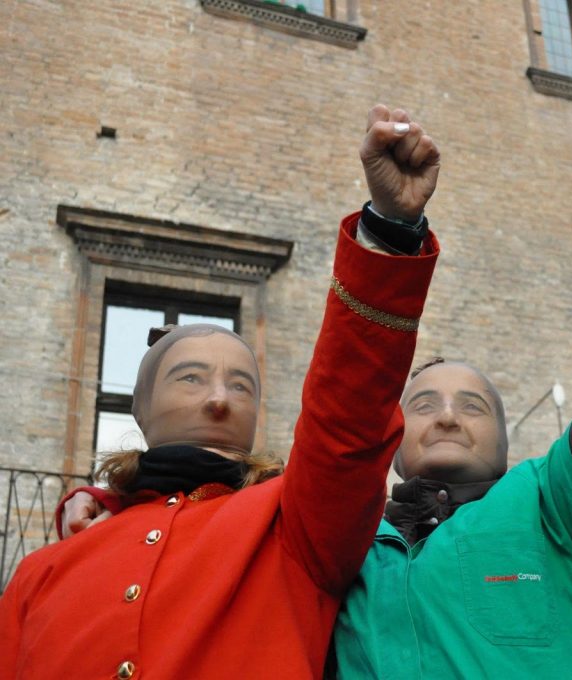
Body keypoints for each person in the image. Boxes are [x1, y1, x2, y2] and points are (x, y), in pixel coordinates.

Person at [60, 152, 572, 677]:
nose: (447, 416)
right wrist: (111, 503)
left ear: (510, 444)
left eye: (472, 405)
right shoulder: (334, 546)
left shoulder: (554, 507)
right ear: (389, 442)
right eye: (423, 404)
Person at [0, 104, 441, 680]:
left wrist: (387, 229)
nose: (219, 398)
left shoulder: (294, 527)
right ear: (141, 407)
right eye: (190, 377)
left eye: (242, 384)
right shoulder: (43, 572)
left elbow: (347, 418)